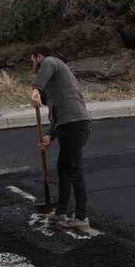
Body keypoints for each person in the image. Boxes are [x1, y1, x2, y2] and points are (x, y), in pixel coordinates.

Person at [30, 49, 92, 233]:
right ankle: (61, 211)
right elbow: (56, 114)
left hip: (76, 124)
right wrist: (50, 135)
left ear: (38, 56)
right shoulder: (54, 85)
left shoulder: (51, 61)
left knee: (74, 170)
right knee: (64, 168)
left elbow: (48, 63)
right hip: (67, 125)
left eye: (32, 61)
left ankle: (81, 218)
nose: (32, 64)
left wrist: (36, 88)